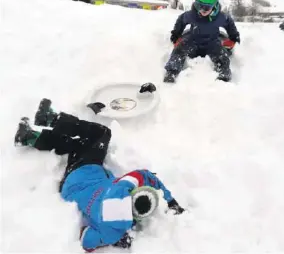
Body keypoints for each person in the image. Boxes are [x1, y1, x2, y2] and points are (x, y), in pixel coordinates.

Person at [14, 98, 185, 252]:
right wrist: (112, 239)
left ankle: (51, 119)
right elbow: (87, 240)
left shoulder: (125, 185)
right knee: (78, 145)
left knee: (101, 134)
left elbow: (147, 176)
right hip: (70, 187)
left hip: (85, 172)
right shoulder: (113, 231)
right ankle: (29, 137)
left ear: (135, 192)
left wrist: (171, 201)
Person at [164, 0, 241, 83]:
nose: (202, 10)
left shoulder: (220, 17)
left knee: (222, 56)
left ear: (214, 5)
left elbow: (229, 23)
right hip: (193, 40)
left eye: (206, 7)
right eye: (199, 5)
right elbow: (181, 20)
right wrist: (176, 33)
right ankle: (171, 72)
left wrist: (233, 35)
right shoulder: (192, 15)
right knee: (179, 51)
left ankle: (224, 75)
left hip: (212, 42)